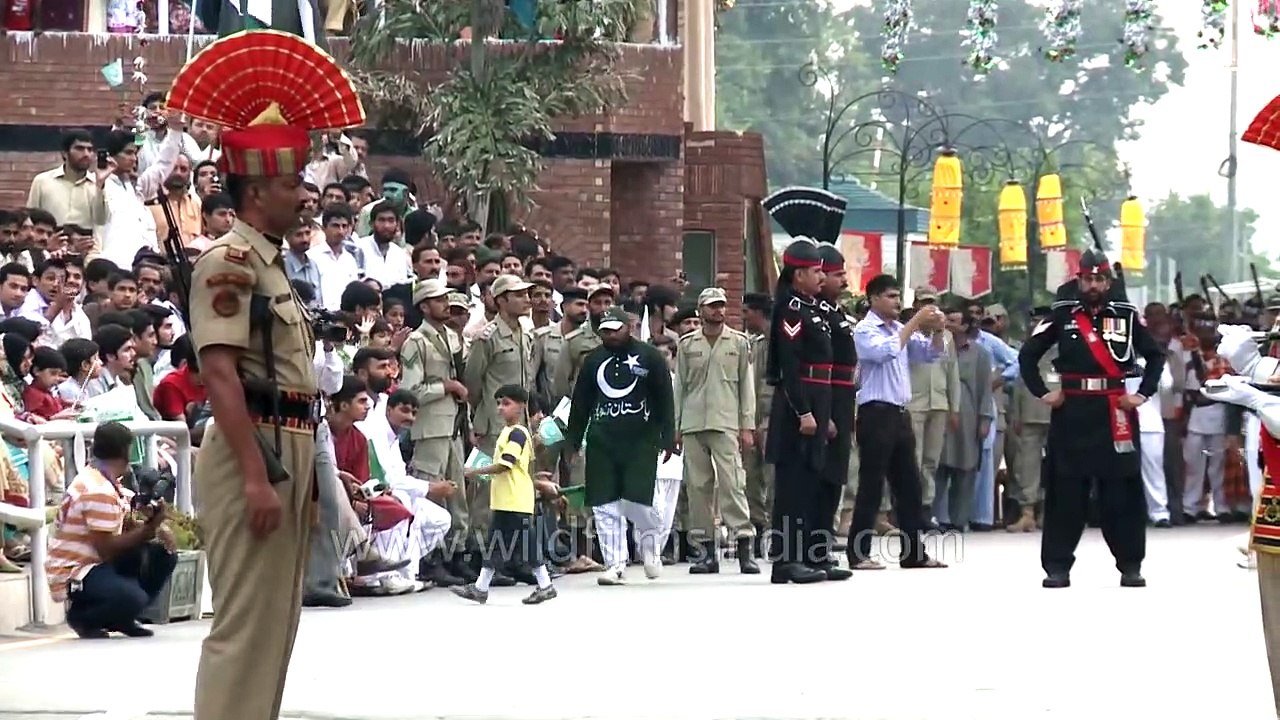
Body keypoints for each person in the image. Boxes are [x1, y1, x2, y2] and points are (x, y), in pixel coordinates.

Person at [170, 30, 361, 720]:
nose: (302, 195)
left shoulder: (272, 260)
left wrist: (304, 480)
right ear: (255, 193)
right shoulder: (229, 260)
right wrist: (255, 476)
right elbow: (219, 374)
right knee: (246, 626)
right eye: (289, 183)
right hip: (254, 447)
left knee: (278, 624)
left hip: (289, 447)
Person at [1017, 248, 1165, 588]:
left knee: (1121, 492)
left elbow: (1155, 356)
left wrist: (1142, 394)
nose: (1093, 284)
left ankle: (1130, 564)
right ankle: (1057, 566)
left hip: (1115, 411)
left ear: (1108, 281)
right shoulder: (1061, 315)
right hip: (1073, 412)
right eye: (1088, 278)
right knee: (1065, 491)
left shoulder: (1127, 315)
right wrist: (1043, 393)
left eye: (1099, 279)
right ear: (1079, 279)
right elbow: (1028, 355)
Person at [565, 306, 675, 585]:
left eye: (616, 329)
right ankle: (615, 564)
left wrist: (668, 437)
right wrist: (573, 441)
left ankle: (650, 546)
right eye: (606, 331)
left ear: (629, 327)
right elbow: (581, 404)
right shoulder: (593, 361)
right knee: (604, 504)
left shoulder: (649, 357)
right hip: (602, 440)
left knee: (638, 502)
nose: (611, 335)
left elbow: (665, 399)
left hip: (641, 440)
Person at [848, 273, 947, 571]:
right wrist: (916, 322)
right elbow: (885, 352)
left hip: (900, 413)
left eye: (897, 296)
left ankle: (914, 552)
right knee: (871, 484)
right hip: (875, 412)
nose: (896, 302)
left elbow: (930, 354)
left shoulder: (899, 328)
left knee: (910, 486)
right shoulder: (865, 330)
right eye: (890, 296)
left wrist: (938, 330)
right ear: (873, 299)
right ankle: (858, 552)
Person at [45, 421, 177, 638]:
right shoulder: (97, 489)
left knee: (163, 555)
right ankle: (84, 617)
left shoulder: (104, 479)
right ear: (126, 451)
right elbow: (107, 548)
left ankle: (122, 617)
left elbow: (125, 510)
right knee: (134, 597)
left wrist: (157, 523)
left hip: (97, 563)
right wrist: (149, 529)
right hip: (78, 570)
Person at [674, 287, 758, 575]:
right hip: (694, 422)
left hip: (726, 421)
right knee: (698, 488)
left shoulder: (738, 342)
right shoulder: (687, 345)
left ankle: (745, 544)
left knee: (733, 483)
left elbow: (746, 387)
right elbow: (679, 387)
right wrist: (676, 425)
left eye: (721, 306)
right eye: (712, 306)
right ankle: (706, 551)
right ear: (700, 310)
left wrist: (747, 425)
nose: (718, 311)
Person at [452, 384, 560, 605]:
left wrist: (476, 471)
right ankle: (481, 588)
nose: (500, 408)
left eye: (506, 403)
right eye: (499, 403)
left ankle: (545, 585)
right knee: (496, 544)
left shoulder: (518, 434)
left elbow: (506, 464)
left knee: (525, 544)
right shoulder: (510, 432)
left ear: (521, 407)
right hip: (505, 499)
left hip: (514, 500)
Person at [811, 244, 854, 581]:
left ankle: (822, 545)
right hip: (827, 398)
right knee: (821, 479)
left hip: (843, 397)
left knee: (835, 476)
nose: (844, 281)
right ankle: (813, 547)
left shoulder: (835, 312)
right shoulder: (817, 313)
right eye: (838, 274)